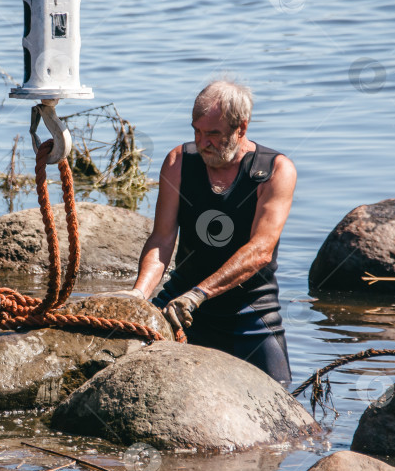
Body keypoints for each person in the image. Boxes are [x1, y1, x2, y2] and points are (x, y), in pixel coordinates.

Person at [126, 80, 296, 385]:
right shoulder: (180, 162)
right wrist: (139, 294)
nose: (203, 143)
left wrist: (198, 294)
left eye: (214, 134)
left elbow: (261, 250)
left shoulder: (274, 171)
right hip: (181, 308)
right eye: (197, 132)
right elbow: (162, 239)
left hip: (250, 315)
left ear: (241, 128)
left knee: (283, 403)